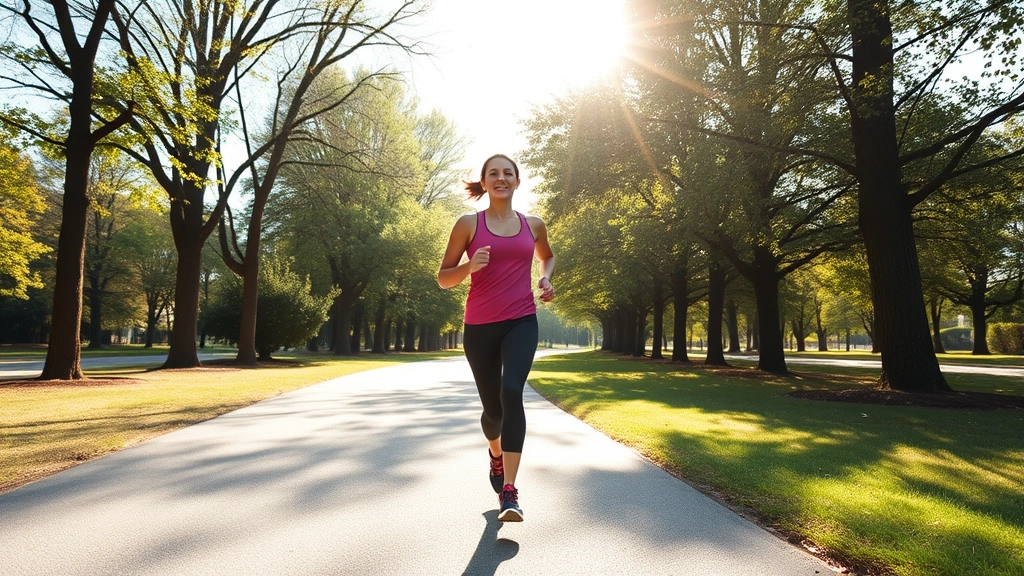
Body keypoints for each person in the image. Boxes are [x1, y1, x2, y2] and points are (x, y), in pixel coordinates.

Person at [437, 154, 555, 522]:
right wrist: (468, 266)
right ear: (484, 183)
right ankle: (495, 452)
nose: (501, 178)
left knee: (511, 392)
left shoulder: (533, 225)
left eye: (508, 173)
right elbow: (443, 278)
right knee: (492, 413)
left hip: (522, 320)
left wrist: (546, 277)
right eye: (494, 173)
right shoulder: (468, 224)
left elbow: (547, 257)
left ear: (517, 182)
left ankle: (510, 492)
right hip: (480, 327)